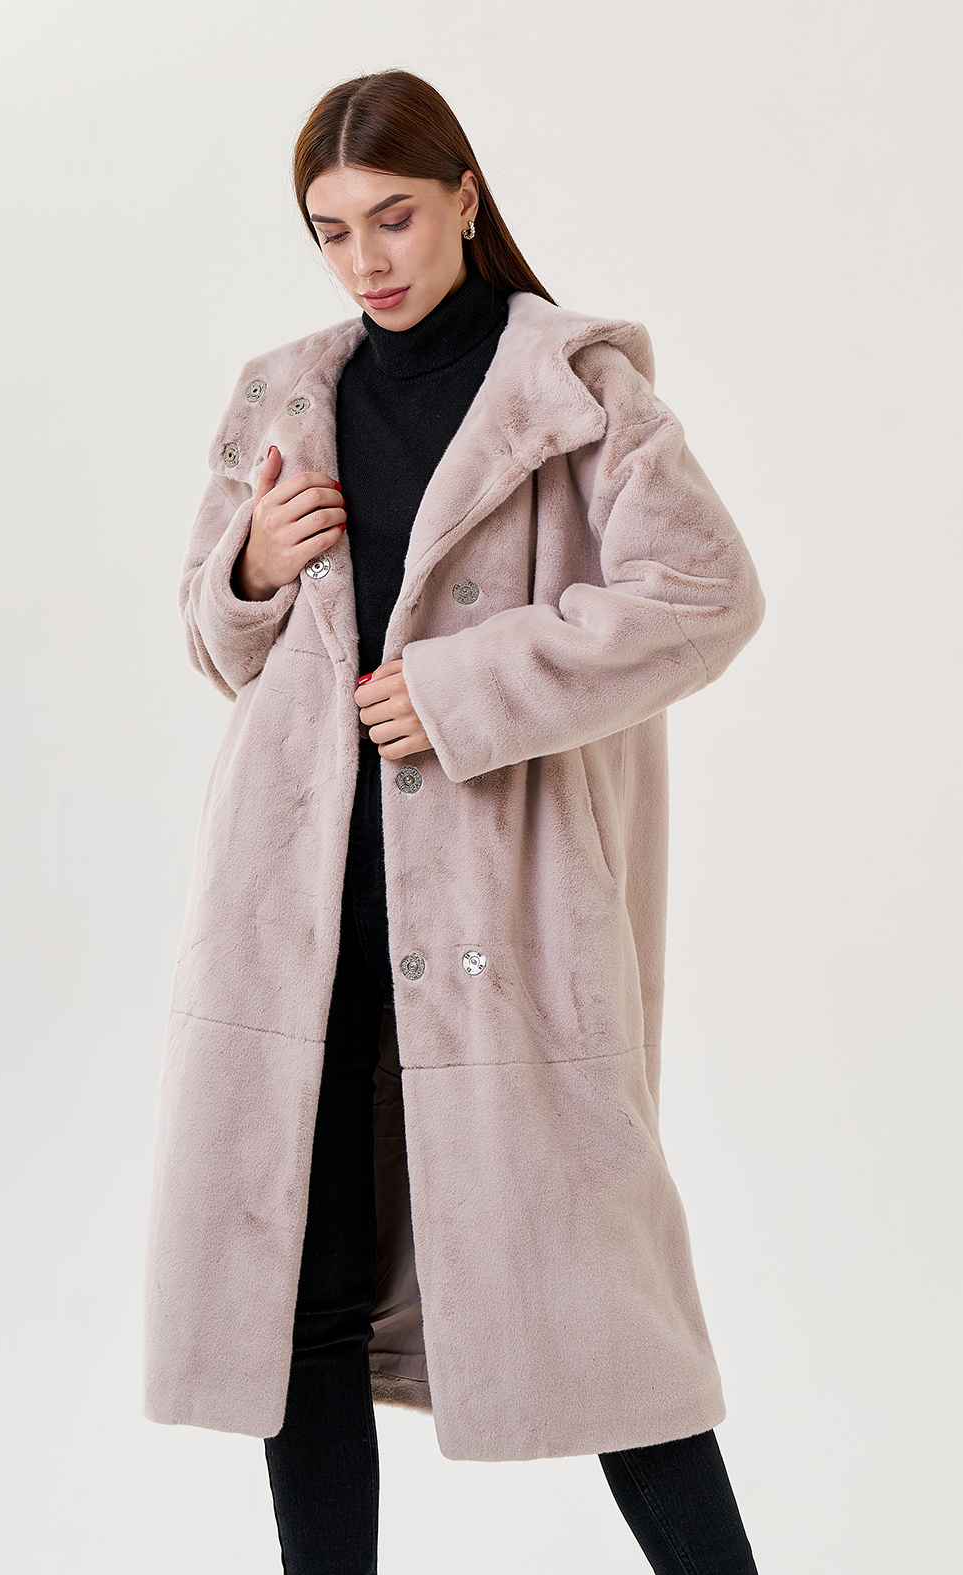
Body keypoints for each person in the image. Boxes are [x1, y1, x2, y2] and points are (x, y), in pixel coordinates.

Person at [143, 69, 766, 1575]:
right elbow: (219, 652)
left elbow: (705, 596)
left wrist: (462, 687)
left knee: (603, 1313)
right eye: (331, 230)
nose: (365, 259)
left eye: (395, 217)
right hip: (298, 913)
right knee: (301, 1300)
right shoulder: (284, 392)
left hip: (502, 916)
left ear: (466, 198)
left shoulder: (577, 393)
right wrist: (248, 567)